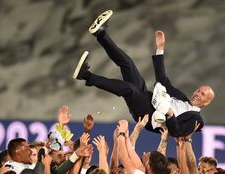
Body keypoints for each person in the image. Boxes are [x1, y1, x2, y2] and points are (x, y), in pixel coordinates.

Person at [73, 10, 215, 137]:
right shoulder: (181, 97)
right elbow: (162, 80)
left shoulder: (196, 120)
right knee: (128, 64)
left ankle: (87, 76)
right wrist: (160, 49)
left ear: (206, 103)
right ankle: (101, 33)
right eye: (198, 90)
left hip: (148, 116)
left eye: (203, 94)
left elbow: (176, 132)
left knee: (130, 90)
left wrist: (170, 114)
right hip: (146, 98)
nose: (197, 93)